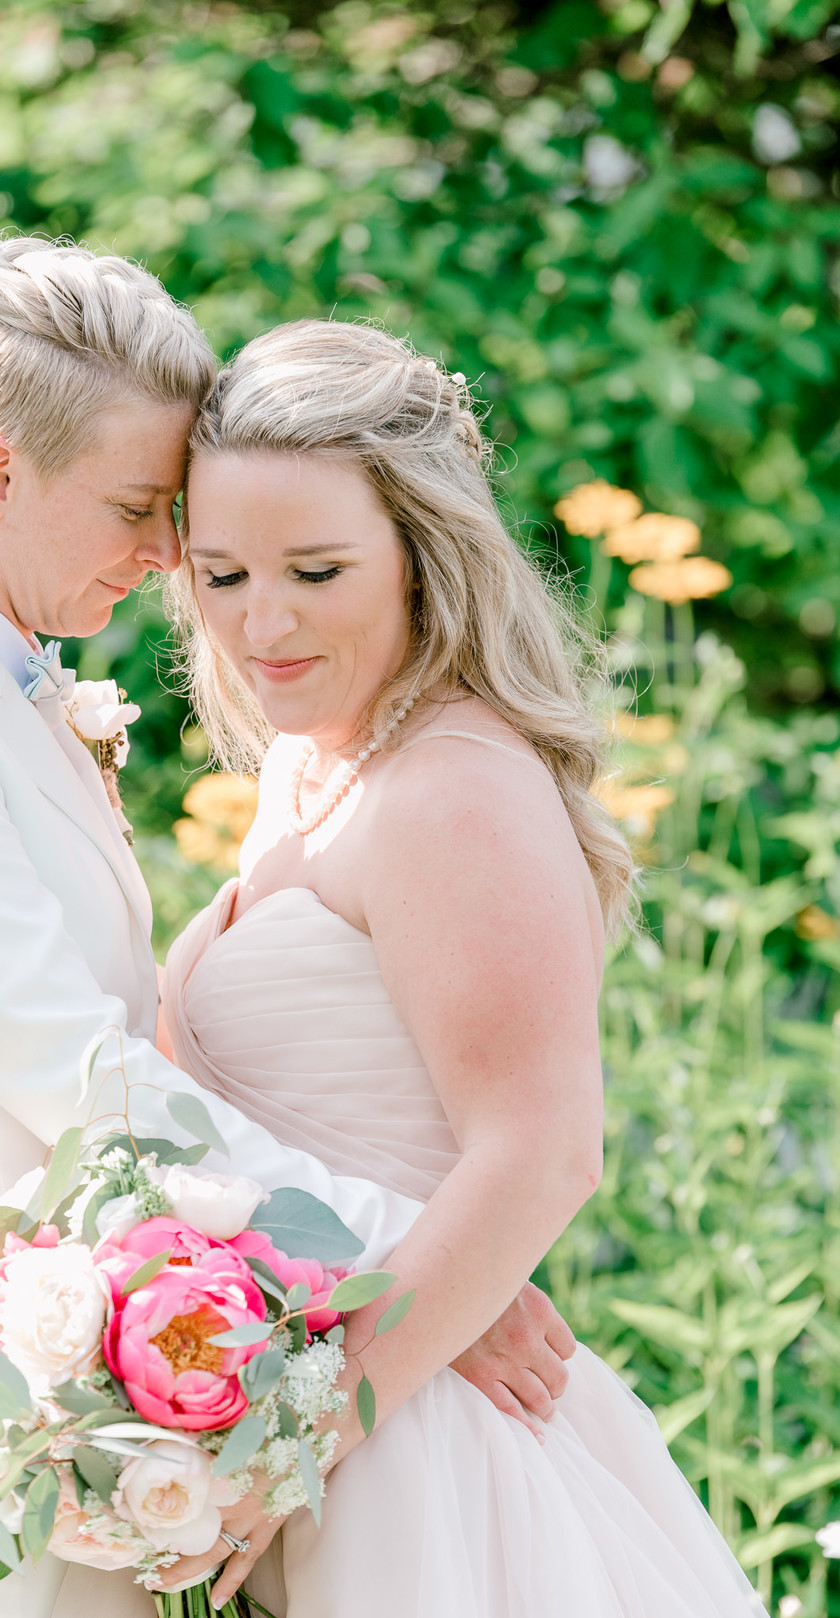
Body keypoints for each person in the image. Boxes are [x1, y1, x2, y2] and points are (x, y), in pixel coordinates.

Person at [0, 233, 570, 1618]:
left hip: (101, 1418)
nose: (165, 555)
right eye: (141, 506)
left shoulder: (0, 694)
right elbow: (87, 1084)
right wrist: (414, 1266)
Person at [153, 319, 769, 1616]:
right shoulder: (309, 762)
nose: (263, 621)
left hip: (410, 1449)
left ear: (423, 555)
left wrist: (303, 1439)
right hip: (321, 1406)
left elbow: (542, 1151)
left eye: (317, 571)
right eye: (222, 574)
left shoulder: (452, 788)